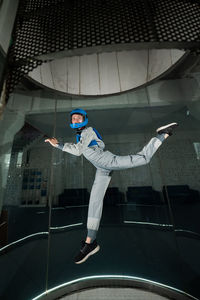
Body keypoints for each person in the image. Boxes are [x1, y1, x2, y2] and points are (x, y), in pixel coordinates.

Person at [45, 108, 178, 264]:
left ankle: (163, 134)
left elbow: (78, 151)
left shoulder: (87, 130)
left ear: (84, 119)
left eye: (78, 118)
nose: (75, 120)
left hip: (108, 162)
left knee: (143, 158)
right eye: (73, 118)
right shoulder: (80, 135)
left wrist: (58, 145)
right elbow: (93, 147)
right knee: (95, 201)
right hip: (102, 168)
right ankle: (90, 242)